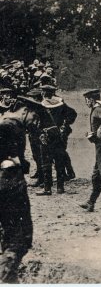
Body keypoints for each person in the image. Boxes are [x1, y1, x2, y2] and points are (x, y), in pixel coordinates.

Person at [0, 96, 41, 283]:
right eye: (34, 116)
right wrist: (13, 162)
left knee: (16, 235)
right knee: (19, 236)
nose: (35, 121)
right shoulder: (8, 126)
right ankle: (7, 277)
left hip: (11, 184)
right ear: (24, 111)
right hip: (9, 186)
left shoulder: (14, 125)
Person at [36, 85, 77, 195]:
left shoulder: (41, 106)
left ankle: (47, 188)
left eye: (43, 92)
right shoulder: (61, 105)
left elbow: (37, 122)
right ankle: (60, 187)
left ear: (44, 93)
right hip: (59, 137)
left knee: (46, 162)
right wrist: (64, 125)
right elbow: (73, 114)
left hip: (46, 136)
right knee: (59, 161)